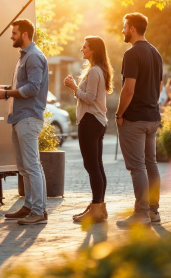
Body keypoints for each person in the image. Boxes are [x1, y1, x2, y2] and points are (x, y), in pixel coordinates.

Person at [0, 19, 49, 225]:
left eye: (14, 33)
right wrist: (6, 90)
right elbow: (23, 86)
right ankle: (29, 205)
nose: (11, 36)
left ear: (25, 34)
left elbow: (33, 88)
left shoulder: (33, 57)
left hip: (29, 117)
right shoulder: (24, 57)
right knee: (24, 166)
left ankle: (39, 211)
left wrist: (6, 93)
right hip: (19, 117)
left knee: (32, 165)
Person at [114, 13, 163, 228]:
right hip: (152, 118)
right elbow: (159, 88)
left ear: (132, 28)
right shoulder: (156, 53)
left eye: (124, 27)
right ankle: (153, 212)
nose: (122, 31)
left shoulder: (132, 54)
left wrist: (119, 114)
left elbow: (128, 89)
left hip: (135, 120)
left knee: (137, 167)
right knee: (150, 164)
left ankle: (141, 214)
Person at [63, 36, 113, 223]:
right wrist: (76, 89)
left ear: (93, 50)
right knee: (96, 166)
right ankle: (98, 206)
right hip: (96, 121)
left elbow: (90, 98)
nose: (81, 49)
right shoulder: (98, 70)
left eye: (84, 47)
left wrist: (74, 87)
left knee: (92, 166)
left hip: (90, 122)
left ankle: (97, 208)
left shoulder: (94, 71)